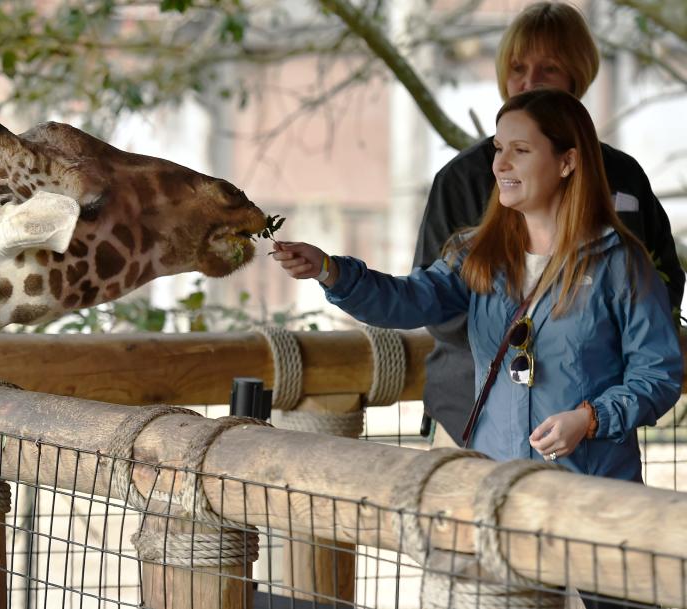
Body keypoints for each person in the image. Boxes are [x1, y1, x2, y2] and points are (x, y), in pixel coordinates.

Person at [272, 88, 682, 482]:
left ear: (567, 162)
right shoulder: (478, 253)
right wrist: (330, 270)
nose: (500, 165)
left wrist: (590, 419)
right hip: (498, 486)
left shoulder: (620, 263)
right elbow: (407, 301)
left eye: (520, 151)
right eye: (499, 149)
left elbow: (658, 374)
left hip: (592, 494)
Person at [412, 2, 684, 447]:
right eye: (518, 67)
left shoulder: (623, 175)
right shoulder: (463, 179)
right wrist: (538, 343)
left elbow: (663, 277)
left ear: (578, 78)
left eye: (549, 68)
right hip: (472, 415)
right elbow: (432, 299)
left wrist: (599, 345)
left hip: (592, 416)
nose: (529, 81)